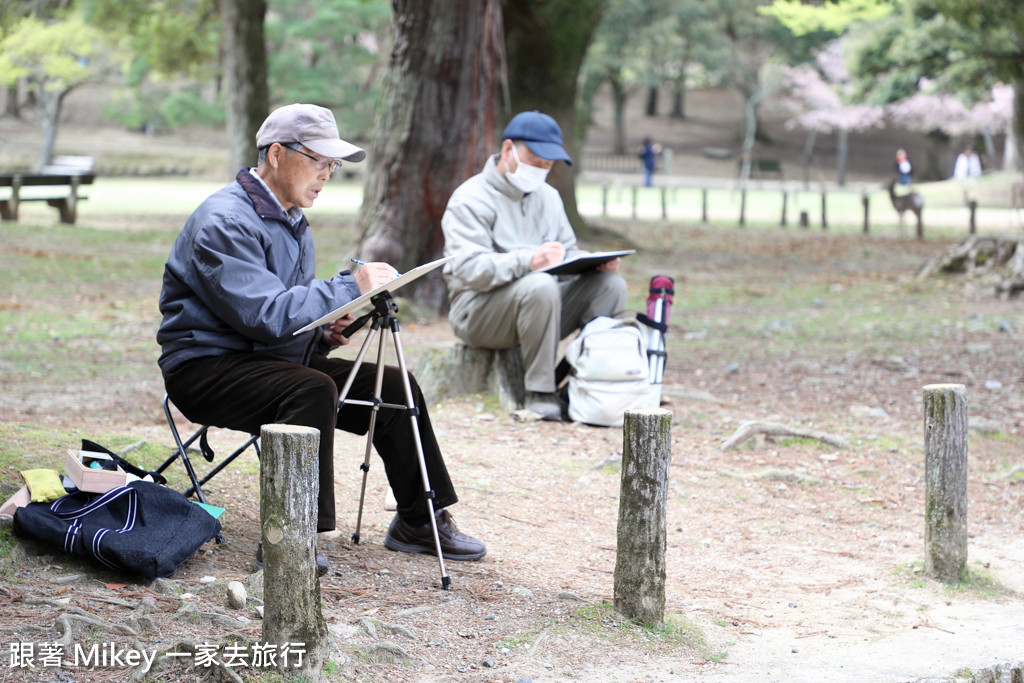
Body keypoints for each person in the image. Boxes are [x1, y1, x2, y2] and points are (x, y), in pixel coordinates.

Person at [156, 103, 486, 574]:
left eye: (332, 165)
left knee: (394, 387)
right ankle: (291, 535)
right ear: (275, 154)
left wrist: (325, 333)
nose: (327, 174)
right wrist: (351, 286)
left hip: (266, 361)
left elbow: (280, 320)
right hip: (206, 368)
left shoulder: (291, 218)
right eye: (318, 160)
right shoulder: (224, 220)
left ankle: (418, 519)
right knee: (312, 388)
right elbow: (265, 314)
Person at [440, 111, 628, 422]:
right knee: (539, 284)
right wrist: (529, 260)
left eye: (548, 164)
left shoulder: (550, 198)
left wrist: (594, 264)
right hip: (477, 312)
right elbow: (469, 269)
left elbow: (566, 252)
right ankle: (540, 392)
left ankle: (579, 382)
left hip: (540, 308)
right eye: (535, 159)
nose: (541, 168)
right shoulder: (470, 199)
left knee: (610, 287)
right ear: (508, 149)